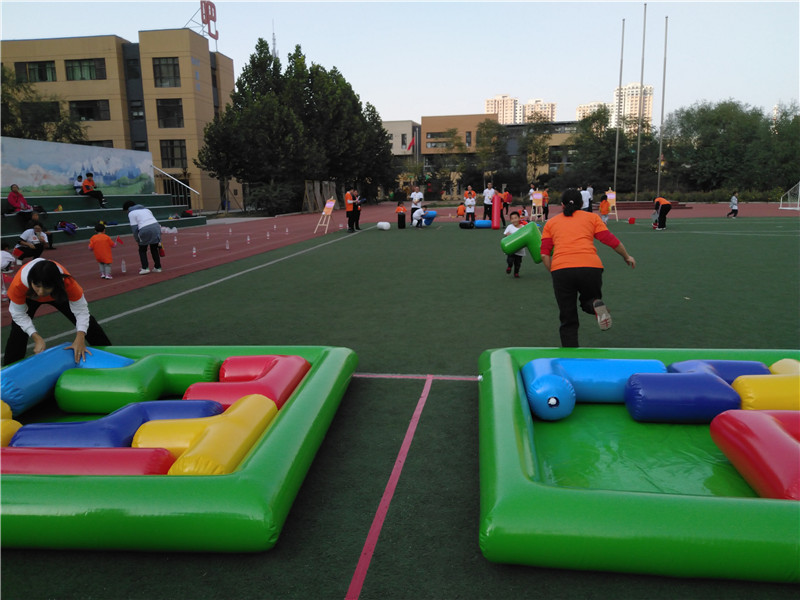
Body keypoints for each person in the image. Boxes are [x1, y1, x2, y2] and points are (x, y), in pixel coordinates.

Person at [540, 189, 636, 348]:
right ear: (582, 203)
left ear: (562, 205)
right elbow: (611, 240)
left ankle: (570, 354)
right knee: (588, 300)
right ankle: (595, 304)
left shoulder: (551, 223)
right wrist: (626, 256)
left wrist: (554, 271)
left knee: (568, 316)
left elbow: (544, 254)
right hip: (591, 267)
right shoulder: (592, 218)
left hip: (562, 269)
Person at [3, 258, 112, 365]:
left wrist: (80, 337)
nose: (41, 292)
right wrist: (36, 337)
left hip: (56, 294)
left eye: (46, 287)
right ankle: (9, 368)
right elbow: (18, 315)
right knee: (18, 330)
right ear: (31, 281)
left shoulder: (68, 283)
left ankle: (110, 353)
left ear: (56, 283)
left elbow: (81, 311)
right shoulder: (18, 285)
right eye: (37, 286)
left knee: (89, 323)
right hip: (29, 296)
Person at [122, 200, 162, 274]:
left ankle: (145, 268)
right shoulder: (147, 210)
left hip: (144, 229)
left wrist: (137, 240)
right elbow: (153, 221)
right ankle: (158, 267)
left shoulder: (131, 213)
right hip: (156, 227)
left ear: (128, 209)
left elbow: (134, 228)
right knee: (154, 248)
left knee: (142, 249)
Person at [503, 211, 526, 278]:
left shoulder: (523, 227)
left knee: (518, 263)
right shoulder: (510, 227)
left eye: (515, 218)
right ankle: (509, 266)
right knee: (510, 260)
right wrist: (507, 235)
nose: (514, 220)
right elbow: (505, 234)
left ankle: (516, 273)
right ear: (510, 220)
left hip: (520, 250)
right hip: (511, 248)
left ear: (519, 218)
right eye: (512, 219)